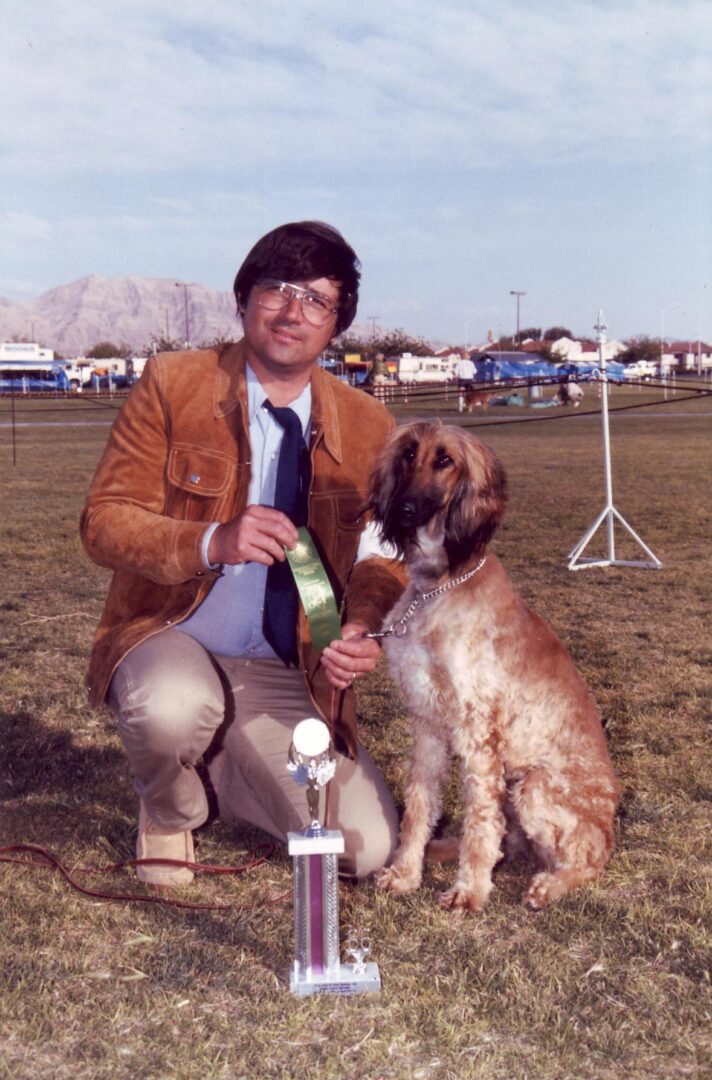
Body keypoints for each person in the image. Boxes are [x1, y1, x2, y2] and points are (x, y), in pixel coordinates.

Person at [80, 221, 406, 887]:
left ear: (337, 322)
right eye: (277, 289)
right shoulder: (174, 383)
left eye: (317, 299)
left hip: (285, 669)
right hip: (167, 632)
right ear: (244, 297)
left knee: (362, 849)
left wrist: (362, 625)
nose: (292, 312)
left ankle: (218, 761)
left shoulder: (371, 425)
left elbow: (385, 553)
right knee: (171, 705)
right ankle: (169, 809)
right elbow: (103, 523)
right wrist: (210, 540)